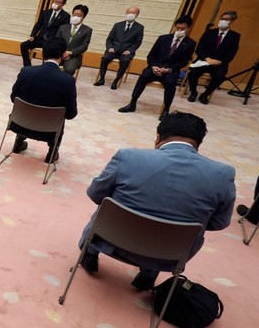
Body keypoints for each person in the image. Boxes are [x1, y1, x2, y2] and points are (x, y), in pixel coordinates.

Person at [79, 112, 235, 290]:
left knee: (107, 209)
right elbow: (219, 223)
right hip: (169, 254)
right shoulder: (223, 175)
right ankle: (149, 274)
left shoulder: (128, 157)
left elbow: (95, 194)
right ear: (198, 144)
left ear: (158, 138)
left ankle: (90, 253)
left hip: (110, 239)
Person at [9, 37, 78, 163]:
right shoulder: (68, 81)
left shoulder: (26, 71)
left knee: (28, 106)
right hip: (49, 130)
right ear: (63, 55)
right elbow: (71, 114)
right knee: (59, 116)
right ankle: (51, 152)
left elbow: (14, 98)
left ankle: (19, 141)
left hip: (20, 124)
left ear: (42, 53)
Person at [118, 15, 196, 118]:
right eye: (178, 28)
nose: (179, 30)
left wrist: (168, 69)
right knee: (143, 77)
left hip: (170, 70)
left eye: (182, 29)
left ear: (188, 28)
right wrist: (153, 66)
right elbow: (151, 55)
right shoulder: (163, 39)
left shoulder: (190, 43)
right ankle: (132, 103)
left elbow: (183, 62)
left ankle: (166, 109)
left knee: (170, 83)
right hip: (155, 67)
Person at [186, 11, 241, 104]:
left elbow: (232, 53)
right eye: (222, 18)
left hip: (219, 64)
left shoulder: (235, 36)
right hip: (204, 60)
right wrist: (207, 59)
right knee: (192, 73)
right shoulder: (209, 33)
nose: (223, 21)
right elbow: (199, 49)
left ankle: (206, 94)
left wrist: (219, 62)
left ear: (232, 21)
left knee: (220, 77)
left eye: (226, 19)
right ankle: (193, 92)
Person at [94, 6, 144, 88]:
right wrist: (110, 47)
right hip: (113, 49)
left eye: (133, 13)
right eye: (129, 12)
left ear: (137, 14)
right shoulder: (118, 25)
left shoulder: (139, 28)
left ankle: (116, 81)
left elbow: (137, 42)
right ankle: (102, 78)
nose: (130, 14)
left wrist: (129, 51)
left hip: (126, 52)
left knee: (125, 61)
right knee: (105, 58)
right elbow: (109, 39)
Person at [20, 0, 69, 66]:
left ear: (63, 4)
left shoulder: (66, 16)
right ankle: (27, 65)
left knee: (48, 51)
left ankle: (45, 68)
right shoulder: (46, 12)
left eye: (58, 2)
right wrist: (32, 35)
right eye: (55, 1)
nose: (55, 3)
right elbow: (38, 25)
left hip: (52, 41)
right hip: (40, 38)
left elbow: (63, 31)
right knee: (24, 45)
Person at [55, 4, 92, 77]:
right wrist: (62, 52)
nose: (76, 17)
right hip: (59, 53)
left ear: (84, 17)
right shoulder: (63, 27)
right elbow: (56, 40)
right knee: (48, 65)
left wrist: (71, 53)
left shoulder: (87, 30)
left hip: (74, 56)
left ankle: (63, 86)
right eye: (74, 14)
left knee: (70, 69)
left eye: (79, 15)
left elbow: (84, 46)